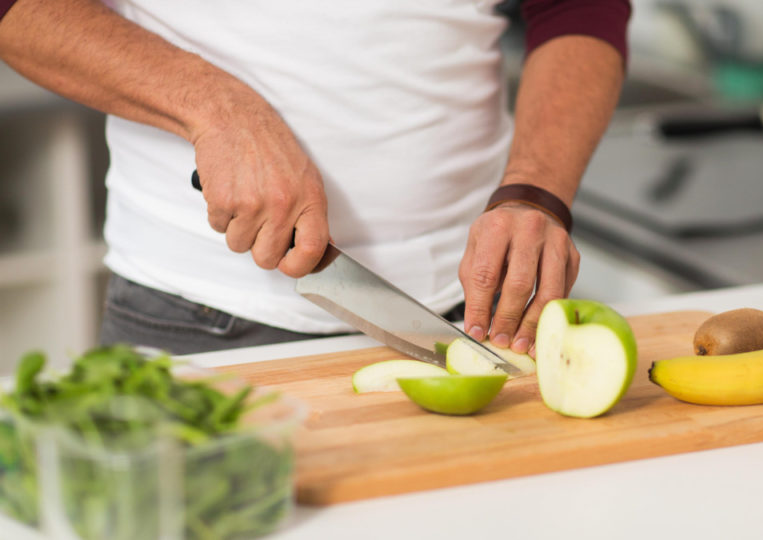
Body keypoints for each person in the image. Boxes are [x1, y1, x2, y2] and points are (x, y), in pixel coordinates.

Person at [0, 0, 629, 355]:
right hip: (193, 316)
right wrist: (215, 110)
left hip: (476, 313)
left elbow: (581, 10)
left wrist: (536, 189)